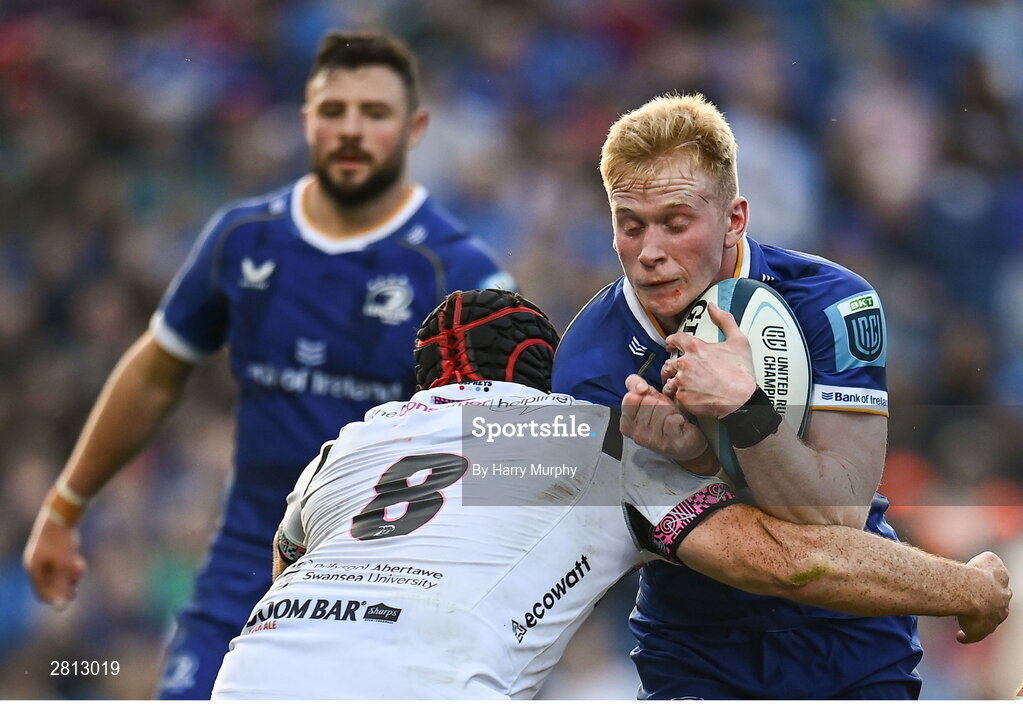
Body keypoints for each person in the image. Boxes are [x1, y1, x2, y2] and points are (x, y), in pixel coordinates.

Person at [22, 31, 513, 699]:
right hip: (244, 579)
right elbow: (154, 373)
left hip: (384, 594)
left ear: (415, 127)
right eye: (333, 111)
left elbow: (514, 438)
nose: (351, 129)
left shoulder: (460, 275)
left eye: (373, 113)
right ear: (306, 121)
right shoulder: (242, 238)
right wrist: (64, 506)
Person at [209, 289, 1008, 699]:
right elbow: (787, 562)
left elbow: (288, 576)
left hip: (246, 680)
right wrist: (966, 587)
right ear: (543, 373)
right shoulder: (576, 434)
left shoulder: (347, 447)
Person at [551, 93, 926, 697]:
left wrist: (741, 410)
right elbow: (731, 546)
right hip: (696, 649)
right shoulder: (589, 366)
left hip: (852, 637)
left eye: (676, 223)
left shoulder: (834, 302)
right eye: (630, 225)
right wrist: (692, 461)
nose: (650, 252)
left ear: (734, 220)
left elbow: (836, 519)